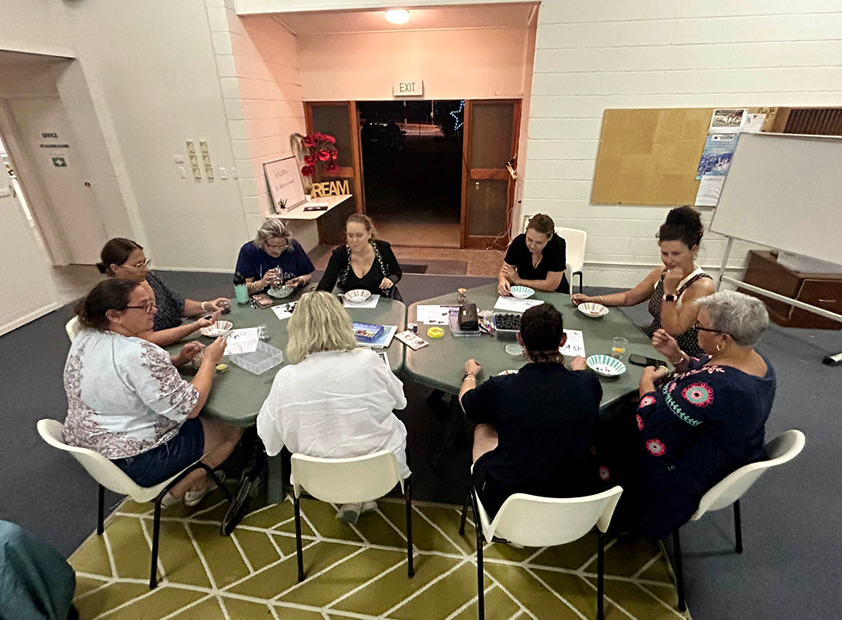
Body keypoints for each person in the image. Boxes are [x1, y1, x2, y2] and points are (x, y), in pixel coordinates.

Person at [599, 290, 776, 539]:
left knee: (609, 426)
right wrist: (677, 356)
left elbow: (652, 428)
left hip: (681, 471)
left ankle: (612, 507)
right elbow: (705, 369)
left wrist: (646, 383)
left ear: (724, 338)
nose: (695, 330)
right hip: (724, 451)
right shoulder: (754, 360)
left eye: (700, 326)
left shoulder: (719, 387)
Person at [63, 279, 244, 507]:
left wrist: (176, 360)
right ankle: (180, 488)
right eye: (145, 306)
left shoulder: (85, 336)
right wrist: (209, 360)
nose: (155, 311)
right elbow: (191, 408)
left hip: (91, 448)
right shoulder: (140, 353)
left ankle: (197, 482)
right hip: (137, 461)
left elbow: (123, 372)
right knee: (233, 426)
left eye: (152, 304)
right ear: (114, 315)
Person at [257, 291, 408, 524]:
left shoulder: (286, 377)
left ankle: (353, 499)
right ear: (343, 323)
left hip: (319, 481)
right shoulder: (368, 360)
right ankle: (359, 497)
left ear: (295, 330)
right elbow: (401, 402)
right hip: (383, 473)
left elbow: (270, 442)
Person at [459, 303, 602, 518]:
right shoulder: (587, 383)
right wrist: (580, 371)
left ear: (520, 339)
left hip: (506, 504)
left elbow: (466, 403)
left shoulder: (501, 387)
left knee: (483, 426)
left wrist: (470, 375)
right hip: (573, 503)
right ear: (562, 340)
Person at [572, 206, 715, 357]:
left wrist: (670, 292)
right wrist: (593, 299)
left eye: (676, 254)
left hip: (680, 353)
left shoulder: (702, 285)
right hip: (654, 337)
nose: (669, 260)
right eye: (664, 253)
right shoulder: (662, 272)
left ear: (693, 250)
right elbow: (629, 298)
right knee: (605, 340)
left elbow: (673, 330)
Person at [98, 238, 228, 347]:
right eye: (138, 265)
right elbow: (147, 339)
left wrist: (206, 305)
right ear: (115, 268)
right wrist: (195, 326)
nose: (145, 269)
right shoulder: (114, 299)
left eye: (145, 262)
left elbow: (179, 305)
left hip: (182, 341)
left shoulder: (150, 278)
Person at [316, 214, 403, 301]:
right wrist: (317, 299)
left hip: (382, 299)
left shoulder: (383, 248)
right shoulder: (340, 254)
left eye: (359, 235)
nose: (354, 240)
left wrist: (390, 280)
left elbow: (396, 272)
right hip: (351, 302)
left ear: (369, 234)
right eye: (350, 235)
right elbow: (325, 285)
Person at [234, 219, 315, 296]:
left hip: (290, 294)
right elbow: (243, 289)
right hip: (262, 296)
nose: (278, 251)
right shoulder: (249, 251)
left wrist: (301, 280)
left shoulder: (293, 246)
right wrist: (261, 283)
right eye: (272, 247)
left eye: (283, 246)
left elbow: (307, 275)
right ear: (262, 241)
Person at [498, 214, 569, 296]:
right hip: (524, 293)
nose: (532, 246)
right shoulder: (518, 243)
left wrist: (519, 281)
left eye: (539, 242)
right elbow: (504, 271)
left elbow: (551, 285)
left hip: (554, 294)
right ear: (526, 231)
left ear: (549, 238)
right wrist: (502, 280)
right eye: (529, 239)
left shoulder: (557, 246)